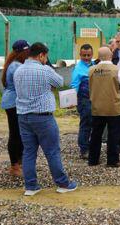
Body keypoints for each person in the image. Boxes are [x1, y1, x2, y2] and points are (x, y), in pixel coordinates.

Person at [11, 41, 78, 197]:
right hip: (43, 116)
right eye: (45, 56)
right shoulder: (45, 70)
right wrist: (47, 66)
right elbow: (60, 82)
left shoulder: (18, 70)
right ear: (41, 55)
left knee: (28, 152)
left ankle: (31, 186)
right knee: (52, 151)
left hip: (23, 115)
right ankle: (62, 183)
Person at [86, 45, 120, 168]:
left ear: (98, 57)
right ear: (110, 56)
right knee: (114, 135)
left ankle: (93, 159)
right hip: (114, 108)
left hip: (97, 107)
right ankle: (112, 160)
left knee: (95, 135)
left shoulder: (91, 70)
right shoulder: (118, 70)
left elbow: (90, 87)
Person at [0, 40, 29, 177]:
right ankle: (15, 166)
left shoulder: (13, 64)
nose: (29, 54)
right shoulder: (17, 66)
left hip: (11, 101)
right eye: (27, 51)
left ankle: (18, 164)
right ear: (22, 52)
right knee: (16, 134)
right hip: (14, 103)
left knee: (18, 133)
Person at [70, 43, 95, 159]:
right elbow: (74, 85)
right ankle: (84, 149)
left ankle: (92, 146)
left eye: (88, 55)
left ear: (92, 54)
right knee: (86, 124)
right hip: (84, 100)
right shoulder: (78, 69)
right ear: (80, 55)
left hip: (95, 99)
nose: (86, 57)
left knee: (94, 124)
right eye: (84, 55)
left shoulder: (95, 65)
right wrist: (71, 99)